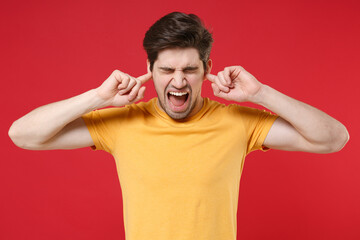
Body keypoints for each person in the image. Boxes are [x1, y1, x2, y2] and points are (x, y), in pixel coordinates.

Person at [9, 12, 349, 240]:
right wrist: (97, 97)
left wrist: (261, 93)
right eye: (167, 70)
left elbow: (333, 138)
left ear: (207, 68)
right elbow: (23, 135)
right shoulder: (123, 122)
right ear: (149, 68)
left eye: (189, 69)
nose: (178, 81)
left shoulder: (237, 122)